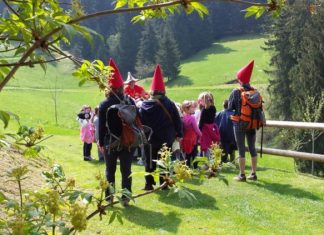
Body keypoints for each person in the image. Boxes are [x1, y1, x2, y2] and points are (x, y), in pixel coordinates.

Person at [139, 64, 183, 191]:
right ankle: (163, 184)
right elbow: (176, 119)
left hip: (150, 138)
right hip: (166, 138)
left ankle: (149, 183)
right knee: (164, 161)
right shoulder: (169, 104)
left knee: (149, 161)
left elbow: (140, 121)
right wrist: (179, 134)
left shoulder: (144, 105)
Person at [98, 58, 135, 206]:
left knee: (110, 171)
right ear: (122, 87)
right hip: (128, 141)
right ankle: (126, 198)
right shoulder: (130, 101)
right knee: (126, 171)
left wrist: (100, 142)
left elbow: (101, 126)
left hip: (109, 142)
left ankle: (109, 198)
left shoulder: (104, 104)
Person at [228, 60, 258, 182]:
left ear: (240, 79)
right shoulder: (254, 91)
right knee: (252, 147)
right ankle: (254, 173)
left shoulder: (236, 91)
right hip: (252, 122)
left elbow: (230, 107)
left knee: (241, 148)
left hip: (240, 123)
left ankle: (242, 175)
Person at [198, 92, 220, 158]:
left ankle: (207, 162)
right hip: (212, 128)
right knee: (212, 144)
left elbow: (201, 122)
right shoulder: (213, 108)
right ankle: (213, 162)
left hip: (205, 129)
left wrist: (199, 131)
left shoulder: (204, 111)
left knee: (206, 145)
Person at [181, 100, 202, 167]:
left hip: (185, 139)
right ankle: (195, 167)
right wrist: (201, 135)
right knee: (194, 154)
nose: (194, 109)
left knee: (187, 154)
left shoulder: (182, 118)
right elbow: (196, 129)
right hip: (192, 139)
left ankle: (187, 167)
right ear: (187, 109)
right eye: (192, 107)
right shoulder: (192, 118)